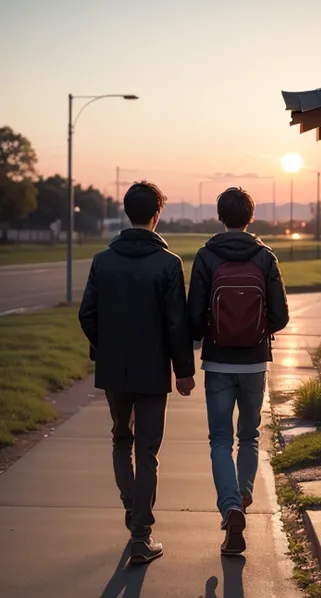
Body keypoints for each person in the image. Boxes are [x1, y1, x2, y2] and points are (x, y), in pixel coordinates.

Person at [79, 181, 195, 564]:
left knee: (120, 440)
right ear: (156, 214)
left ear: (127, 212)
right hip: (152, 369)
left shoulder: (102, 261)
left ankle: (133, 511)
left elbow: (87, 315)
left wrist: (107, 345)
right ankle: (140, 535)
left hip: (113, 369)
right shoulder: (168, 264)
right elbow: (177, 325)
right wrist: (183, 371)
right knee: (147, 451)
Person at [188, 187, 289, 555]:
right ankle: (243, 496)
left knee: (219, 439)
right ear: (251, 217)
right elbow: (280, 315)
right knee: (249, 437)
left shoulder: (206, 257)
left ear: (220, 216)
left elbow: (195, 320)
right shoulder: (265, 258)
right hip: (254, 363)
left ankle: (229, 505)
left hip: (217, 362)